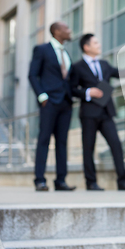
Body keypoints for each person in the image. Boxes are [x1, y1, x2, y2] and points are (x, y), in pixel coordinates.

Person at [69, 33, 125, 191]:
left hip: (106, 113)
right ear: (86, 47)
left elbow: (123, 73)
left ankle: (122, 182)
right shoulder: (77, 67)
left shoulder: (104, 64)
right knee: (88, 149)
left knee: (116, 145)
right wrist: (88, 92)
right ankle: (91, 183)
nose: (99, 45)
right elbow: (71, 89)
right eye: (95, 42)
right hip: (88, 114)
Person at [28, 22, 76, 191]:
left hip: (65, 103)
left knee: (62, 142)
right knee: (44, 140)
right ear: (57, 31)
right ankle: (40, 179)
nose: (70, 30)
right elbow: (33, 75)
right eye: (67, 28)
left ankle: (60, 180)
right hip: (49, 102)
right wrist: (42, 96)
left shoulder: (66, 53)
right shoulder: (42, 50)